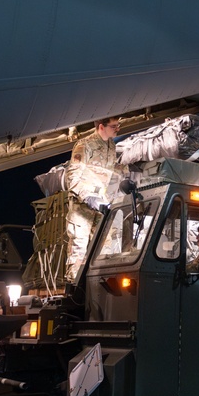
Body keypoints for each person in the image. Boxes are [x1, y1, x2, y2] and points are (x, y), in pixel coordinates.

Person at [64, 117, 123, 281]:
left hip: (101, 205)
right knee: (79, 248)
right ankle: (75, 289)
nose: (117, 128)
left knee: (105, 247)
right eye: (114, 126)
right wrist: (88, 197)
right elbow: (73, 176)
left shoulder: (111, 146)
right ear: (102, 127)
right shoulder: (85, 145)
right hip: (82, 207)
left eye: (118, 125)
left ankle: (98, 285)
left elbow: (109, 174)